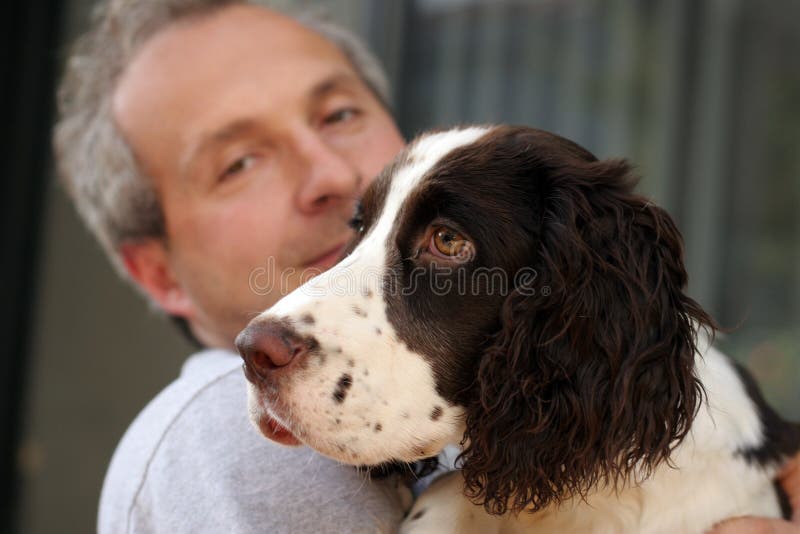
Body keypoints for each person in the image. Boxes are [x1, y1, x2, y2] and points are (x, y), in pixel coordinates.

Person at [53, 0, 800, 532]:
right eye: (239, 162)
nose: (329, 173)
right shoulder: (224, 447)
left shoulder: (510, 406)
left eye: (338, 115)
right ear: (157, 274)